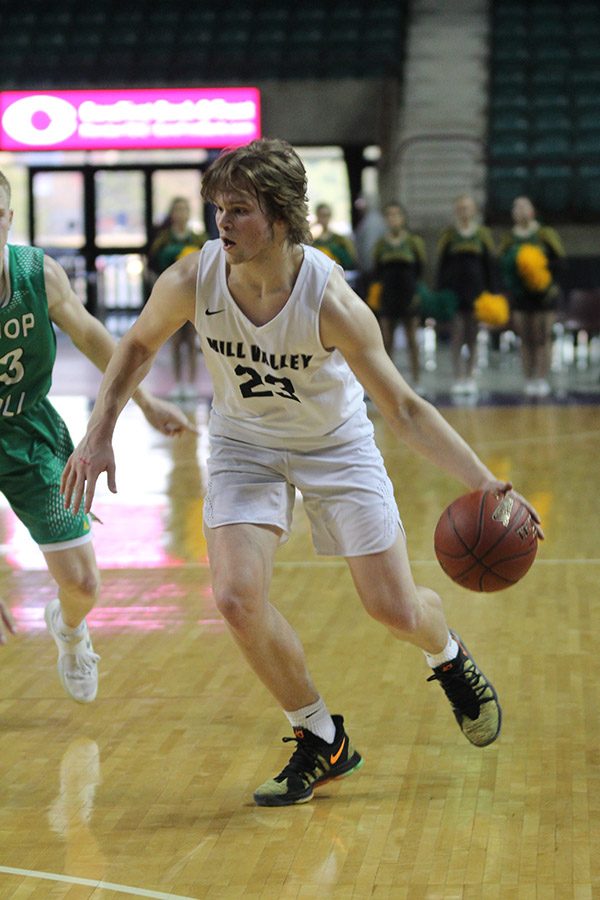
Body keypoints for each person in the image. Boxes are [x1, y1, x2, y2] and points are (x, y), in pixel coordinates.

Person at [61, 139, 543, 807]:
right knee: (234, 599)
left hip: (335, 446)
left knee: (394, 607)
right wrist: (99, 431)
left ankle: (447, 655)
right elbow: (137, 345)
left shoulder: (330, 301)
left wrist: (483, 480)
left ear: (282, 217)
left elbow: (402, 406)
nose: (222, 223)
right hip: (243, 444)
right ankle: (320, 735)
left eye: (239, 210)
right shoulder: (191, 279)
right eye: (218, 209)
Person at [0, 170, 192, 703]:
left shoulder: (38, 274)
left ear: (9, 220)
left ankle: (69, 627)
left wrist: (147, 404)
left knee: (83, 584)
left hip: (29, 431)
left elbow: (91, 335)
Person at [499, 196, 566, 398]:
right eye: (516, 207)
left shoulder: (545, 234)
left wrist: (541, 273)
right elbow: (503, 267)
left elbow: (561, 263)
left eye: (523, 206)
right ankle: (529, 378)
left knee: (542, 336)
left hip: (544, 295)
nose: (519, 210)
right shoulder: (509, 239)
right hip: (521, 296)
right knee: (526, 337)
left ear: (532, 211)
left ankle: (542, 378)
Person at [147, 197, 207, 399]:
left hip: (193, 297)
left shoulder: (198, 239)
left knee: (191, 340)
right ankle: (177, 382)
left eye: (185, 209)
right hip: (172, 298)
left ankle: (191, 383)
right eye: (177, 209)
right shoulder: (163, 240)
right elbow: (152, 267)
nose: (181, 213)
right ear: (172, 213)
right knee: (174, 340)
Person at [436, 195, 496, 396]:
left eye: (468, 208)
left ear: (474, 211)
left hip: (477, 292)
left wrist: (490, 293)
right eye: (460, 208)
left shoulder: (482, 235)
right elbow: (442, 266)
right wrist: (442, 292)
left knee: (472, 335)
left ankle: (470, 376)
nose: (464, 211)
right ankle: (458, 377)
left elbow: (489, 265)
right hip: (455, 292)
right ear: (456, 211)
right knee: (457, 335)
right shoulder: (450, 236)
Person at [371, 202, 426, 387]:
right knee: (386, 341)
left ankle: (416, 380)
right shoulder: (381, 244)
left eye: (396, 215)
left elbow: (421, 268)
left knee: (412, 340)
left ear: (403, 218)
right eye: (389, 215)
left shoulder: (413, 242)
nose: (393, 218)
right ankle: (388, 383)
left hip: (409, 295)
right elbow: (376, 270)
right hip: (388, 295)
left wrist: (415, 291)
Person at [311, 202, 357, 272]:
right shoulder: (313, 242)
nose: (324, 219)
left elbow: (349, 261)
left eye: (326, 215)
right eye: (321, 215)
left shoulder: (340, 239)